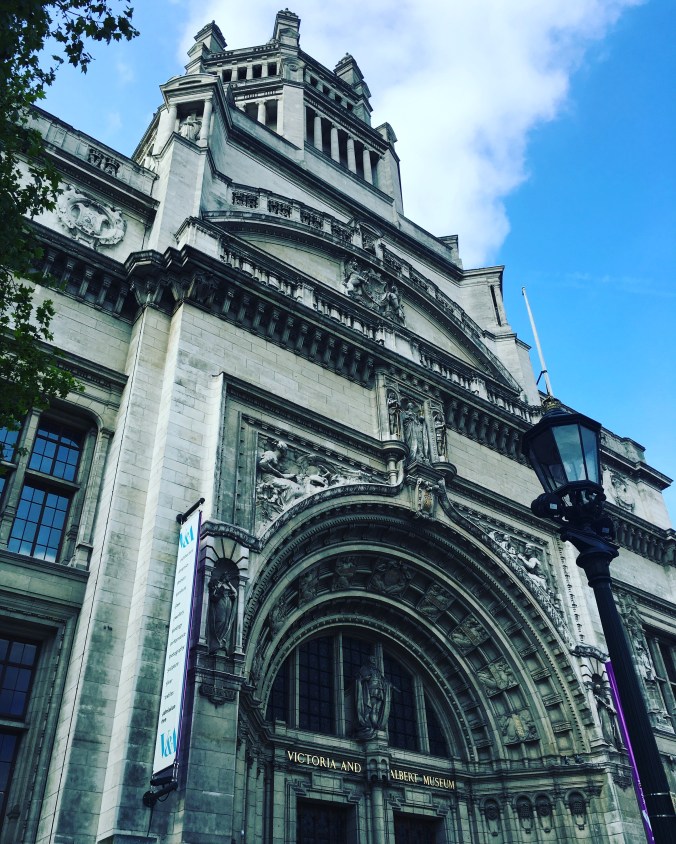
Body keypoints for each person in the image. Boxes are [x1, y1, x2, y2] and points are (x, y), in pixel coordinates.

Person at [356, 657, 392, 732]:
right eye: (372, 658)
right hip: (372, 689)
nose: (374, 660)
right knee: (373, 706)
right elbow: (360, 678)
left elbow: (383, 680)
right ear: (369, 660)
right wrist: (364, 679)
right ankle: (373, 722)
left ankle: (375, 721)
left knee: (377, 709)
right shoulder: (365, 668)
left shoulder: (377, 671)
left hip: (380, 690)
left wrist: (389, 685)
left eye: (375, 659)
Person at [207, 572, 237, 654]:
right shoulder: (216, 582)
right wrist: (218, 588)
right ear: (224, 576)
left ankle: (222, 642)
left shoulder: (228, 585)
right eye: (227, 576)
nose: (228, 578)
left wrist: (229, 584)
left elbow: (235, 593)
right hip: (220, 601)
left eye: (229, 577)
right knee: (221, 620)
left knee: (227, 623)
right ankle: (216, 642)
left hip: (228, 603)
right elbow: (213, 594)